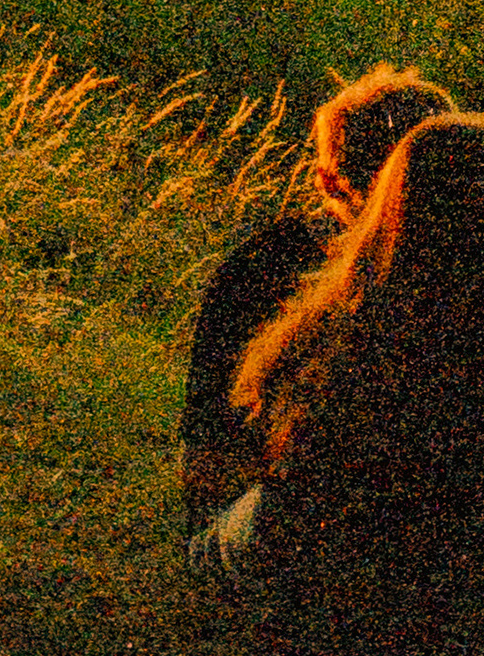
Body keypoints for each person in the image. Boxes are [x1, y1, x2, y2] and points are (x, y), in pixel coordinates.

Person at [186, 110, 484, 655]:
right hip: (458, 612)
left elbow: (274, 461)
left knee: (242, 529)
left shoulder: (338, 323)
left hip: (321, 613)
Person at [176, 63, 456, 534]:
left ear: (326, 179)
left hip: (287, 521)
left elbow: (206, 455)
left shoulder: (259, 265)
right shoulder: (476, 278)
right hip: (330, 519)